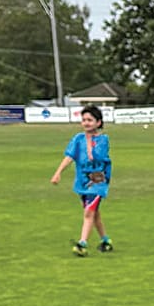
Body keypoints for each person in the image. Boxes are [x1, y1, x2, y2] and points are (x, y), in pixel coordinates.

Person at [51, 105, 113, 251]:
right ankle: (105, 240)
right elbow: (70, 156)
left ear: (98, 122)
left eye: (90, 120)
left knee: (88, 212)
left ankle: (82, 243)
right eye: (84, 120)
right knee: (94, 212)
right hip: (82, 180)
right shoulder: (78, 139)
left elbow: (97, 157)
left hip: (98, 179)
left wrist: (91, 145)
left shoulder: (103, 140)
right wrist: (58, 172)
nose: (86, 123)